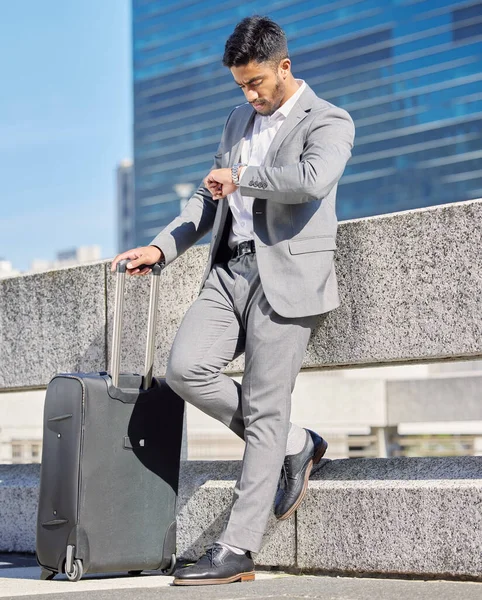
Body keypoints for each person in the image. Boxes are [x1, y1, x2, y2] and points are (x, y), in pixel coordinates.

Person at [112, 15, 355, 586]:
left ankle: (238, 548)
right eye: (241, 86)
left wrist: (242, 175)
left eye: (257, 84)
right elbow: (207, 194)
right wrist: (160, 247)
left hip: (288, 278)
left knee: (268, 408)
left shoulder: (331, 120)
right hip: (228, 270)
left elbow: (312, 179)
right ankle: (296, 443)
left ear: (284, 67)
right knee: (185, 369)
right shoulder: (237, 120)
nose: (250, 96)